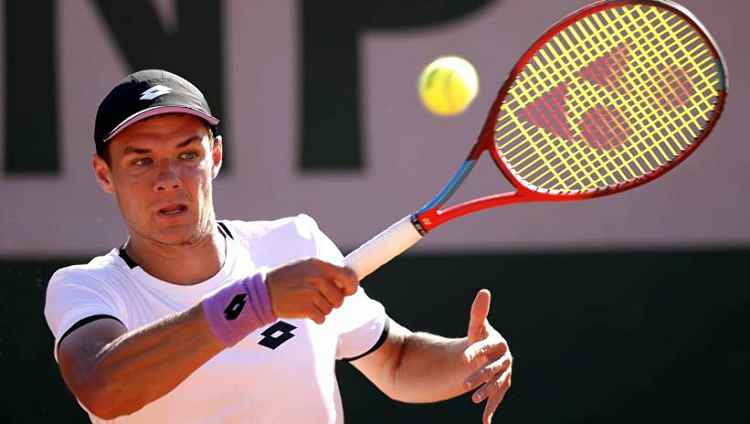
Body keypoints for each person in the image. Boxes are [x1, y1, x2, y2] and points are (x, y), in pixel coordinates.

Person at [44, 69, 512, 423]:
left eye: (187, 154)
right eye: (142, 161)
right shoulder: (87, 288)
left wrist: (465, 358)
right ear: (104, 174)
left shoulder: (294, 243)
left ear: (215, 157)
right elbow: (103, 388)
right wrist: (258, 301)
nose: (168, 179)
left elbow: (397, 360)